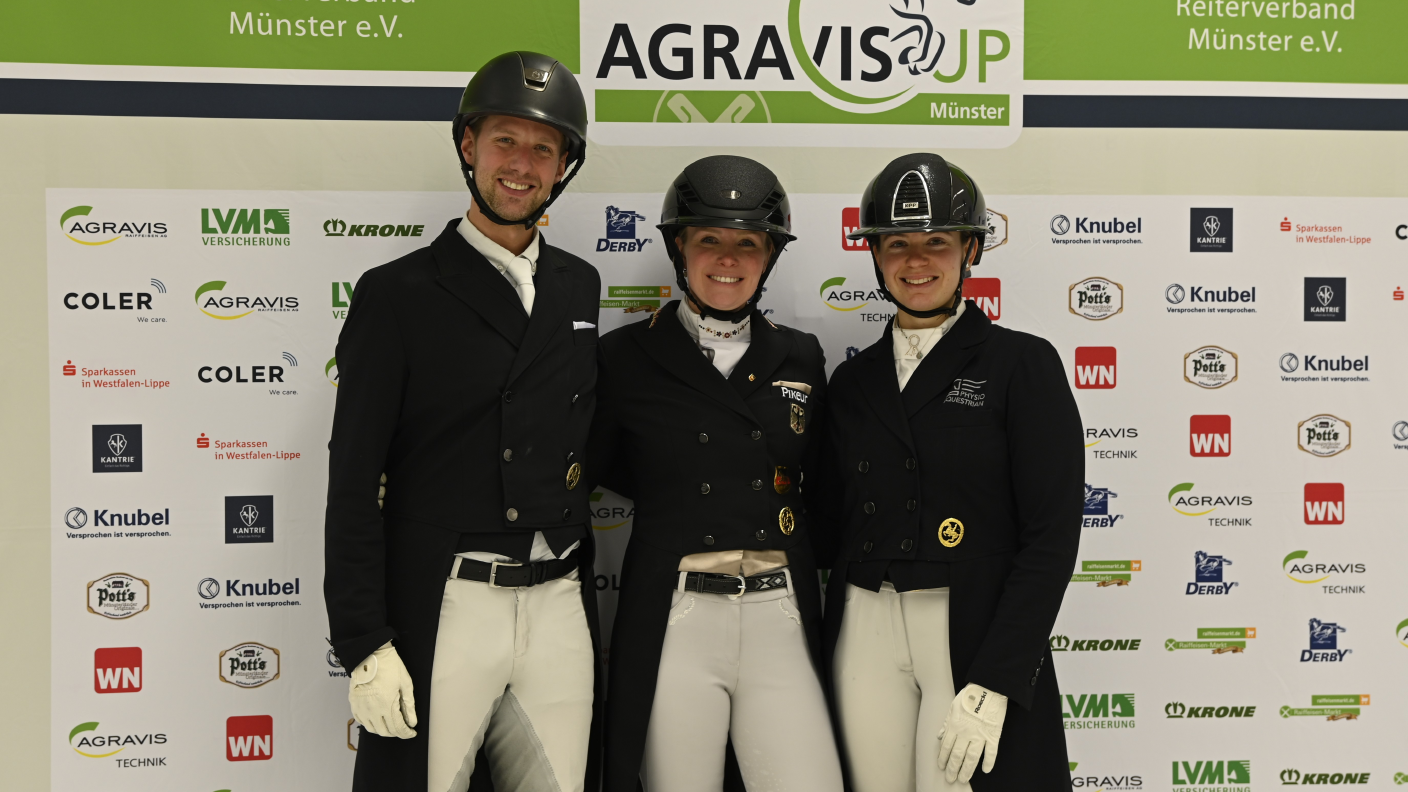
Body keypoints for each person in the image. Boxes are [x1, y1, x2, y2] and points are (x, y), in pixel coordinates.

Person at [323, 51, 603, 792]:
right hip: (449, 601)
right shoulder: (398, 294)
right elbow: (353, 481)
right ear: (468, 147)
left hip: (559, 601)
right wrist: (363, 641)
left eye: (544, 148)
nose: (522, 164)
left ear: (563, 166)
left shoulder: (580, 283)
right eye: (505, 140)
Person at [815, 153, 1084, 791]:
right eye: (897, 244)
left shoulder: (1022, 364)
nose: (916, 261)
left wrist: (998, 677)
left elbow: (1051, 538)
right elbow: (829, 520)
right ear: (875, 254)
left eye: (937, 242)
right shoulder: (852, 381)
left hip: (964, 628)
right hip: (864, 626)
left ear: (970, 250)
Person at [587, 156, 844, 792]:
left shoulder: (802, 354)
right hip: (677, 617)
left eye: (746, 243)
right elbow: (602, 469)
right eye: (709, 238)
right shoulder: (624, 357)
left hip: (780, 610)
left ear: (769, 257)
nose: (726, 258)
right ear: (679, 246)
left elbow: (824, 479)